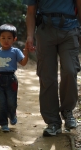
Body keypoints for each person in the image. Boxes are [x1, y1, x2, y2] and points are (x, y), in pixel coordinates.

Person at [22, 0, 81, 136]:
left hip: (70, 30)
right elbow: (31, 12)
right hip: (45, 31)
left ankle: (67, 111)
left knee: (70, 71)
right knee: (47, 76)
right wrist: (30, 36)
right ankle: (53, 122)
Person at [0, 24, 29, 132]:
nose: (6, 40)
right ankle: (3, 124)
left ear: (14, 39)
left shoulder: (15, 51)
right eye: (3, 38)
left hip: (11, 79)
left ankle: (12, 114)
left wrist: (26, 53)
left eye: (9, 38)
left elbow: (23, 63)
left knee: (11, 101)